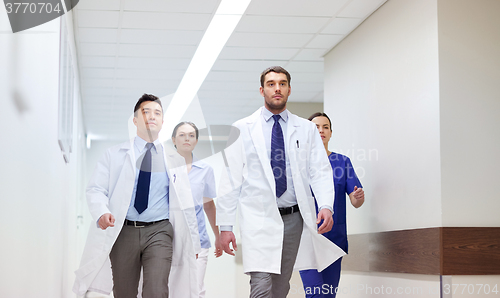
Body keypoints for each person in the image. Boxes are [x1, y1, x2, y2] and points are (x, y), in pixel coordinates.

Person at [217, 66, 346, 298]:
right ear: (261, 90)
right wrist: (225, 227)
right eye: (271, 83)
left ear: (288, 89)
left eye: (282, 83)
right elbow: (230, 180)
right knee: (261, 283)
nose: (277, 88)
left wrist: (326, 205)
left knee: (280, 285)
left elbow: (319, 170)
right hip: (259, 216)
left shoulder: (306, 129)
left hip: (294, 218)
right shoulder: (242, 128)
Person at [73, 94, 201, 298]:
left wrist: (194, 242)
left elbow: (186, 204)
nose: (152, 116)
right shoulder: (114, 154)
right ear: (135, 120)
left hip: (160, 231)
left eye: (157, 113)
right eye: (145, 112)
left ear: (162, 122)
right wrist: (102, 212)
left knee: (156, 290)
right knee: (124, 291)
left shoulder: (174, 159)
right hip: (124, 230)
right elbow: (96, 189)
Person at [299, 112, 365, 298]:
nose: (321, 131)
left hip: (334, 240)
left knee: (328, 294)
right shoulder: (299, 164)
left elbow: (355, 201)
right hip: (307, 238)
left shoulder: (342, 162)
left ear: (331, 132)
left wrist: (358, 197)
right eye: (316, 127)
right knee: (315, 294)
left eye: (325, 127)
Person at [171, 121, 223, 298]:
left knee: (196, 289)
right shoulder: (164, 169)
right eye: (182, 135)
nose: (187, 138)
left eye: (191, 135)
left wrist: (218, 235)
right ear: (173, 140)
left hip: (198, 240)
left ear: (196, 141)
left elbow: (208, 205)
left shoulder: (205, 170)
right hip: (169, 239)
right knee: (170, 289)